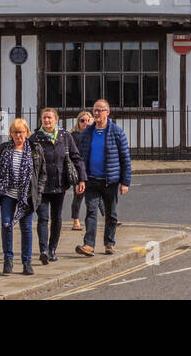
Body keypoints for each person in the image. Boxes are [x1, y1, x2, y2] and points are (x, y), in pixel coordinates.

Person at [74, 99, 131, 257]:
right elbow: (81, 158)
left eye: (100, 110)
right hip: (91, 180)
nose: (96, 113)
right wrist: (81, 179)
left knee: (111, 213)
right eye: (95, 110)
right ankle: (89, 245)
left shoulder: (117, 132)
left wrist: (125, 182)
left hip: (110, 181)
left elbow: (125, 158)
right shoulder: (87, 133)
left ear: (108, 112)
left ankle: (109, 243)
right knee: (91, 212)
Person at [0, 118, 45, 275]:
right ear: (10, 134)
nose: (18, 135)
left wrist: (38, 192)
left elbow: (42, 174)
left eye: (21, 132)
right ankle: (8, 260)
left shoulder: (35, 149)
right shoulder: (4, 148)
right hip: (8, 194)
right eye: (15, 132)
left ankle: (27, 262)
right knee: (6, 224)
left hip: (26, 195)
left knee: (26, 228)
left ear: (27, 132)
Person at [31, 107, 86, 264]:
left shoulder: (65, 136)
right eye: (44, 118)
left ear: (56, 120)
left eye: (50, 117)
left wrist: (81, 179)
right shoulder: (34, 138)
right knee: (43, 218)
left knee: (57, 218)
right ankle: (43, 250)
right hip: (41, 186)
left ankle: (52, 249)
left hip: (59, 185)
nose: (47, 120)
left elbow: (76, 158)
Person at [69, 110, 92, 231]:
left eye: (88, 120)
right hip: (79, 169)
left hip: (92, 169)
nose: (85, 123)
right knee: (78, 195)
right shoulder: (74, 136)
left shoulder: (95, 134)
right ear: (78, 123)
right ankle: (75, 221)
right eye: (82, 121)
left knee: (97, 197)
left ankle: (106, 217)